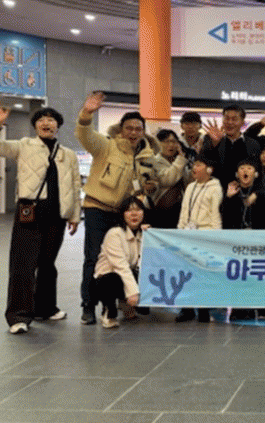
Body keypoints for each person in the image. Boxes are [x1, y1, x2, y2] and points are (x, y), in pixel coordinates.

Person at [76, 91, 159, 325]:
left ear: (143, 131)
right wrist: (86, 113)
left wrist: (150, 187)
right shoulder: (106, 146)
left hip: (124, 214)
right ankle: (88, 305)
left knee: (128, 257)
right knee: (94, 258)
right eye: (129, 128)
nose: (133, 132)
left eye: (138, 129)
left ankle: (118, 303)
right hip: (97, 208)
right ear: (121, 130)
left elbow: (150, 182)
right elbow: (84, 134)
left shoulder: (148, 155)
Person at [0, 106, 81, 334]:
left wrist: (74, 214)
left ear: (58, 126)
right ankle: (19, 316)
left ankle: (45, 308)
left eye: (51, 120)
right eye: (42, 120)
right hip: (29, 211)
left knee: (47, 264)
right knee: (23, 265)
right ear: (35, 126)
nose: (46, 123)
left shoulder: (68, 154)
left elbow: (75, 185)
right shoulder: (24, 145)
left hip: (57, 215)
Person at [176, 154, 223, 323]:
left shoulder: (215, 188)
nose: (194, 168)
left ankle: (204, 308)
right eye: (194, 164)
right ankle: (186, 308)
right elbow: (184, 211)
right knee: (186, 272)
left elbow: (215, 215)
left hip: (205, 234)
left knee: (203, 274)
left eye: (199, 165)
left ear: (209, 169)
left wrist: (216, 238)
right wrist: (179, 231)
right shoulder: (190, 187)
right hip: (188, 234)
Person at [93, 196, 148, 328]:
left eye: (138, 210)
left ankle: (125, 303)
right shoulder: (114, 233)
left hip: (128, 273)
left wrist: (150, 234)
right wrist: (133, 292)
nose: (134, 214)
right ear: (122, 214)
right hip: (108, 278)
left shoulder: (142, 233)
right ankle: (108, 311)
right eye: (129, 210)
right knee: (112, 279)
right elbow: (121, 267)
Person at [201, 104, 260, 190]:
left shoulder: (253, 144)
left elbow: (256, 172)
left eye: (234, 119)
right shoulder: (211, 140)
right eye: (227, 118)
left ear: (242, 122)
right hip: (215, 191)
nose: (230, 122)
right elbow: (204, 164)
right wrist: (215, 143)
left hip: (243, 192)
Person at [149, 129, 190, 228]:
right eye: (167, 141)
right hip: (161, 211)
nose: (171, 145)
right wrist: (181, 159)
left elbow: (187, 182)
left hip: (181, 209)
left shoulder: (180, 160)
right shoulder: (154, 161)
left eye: (174, 141)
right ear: (158, 143)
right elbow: (167, 180)